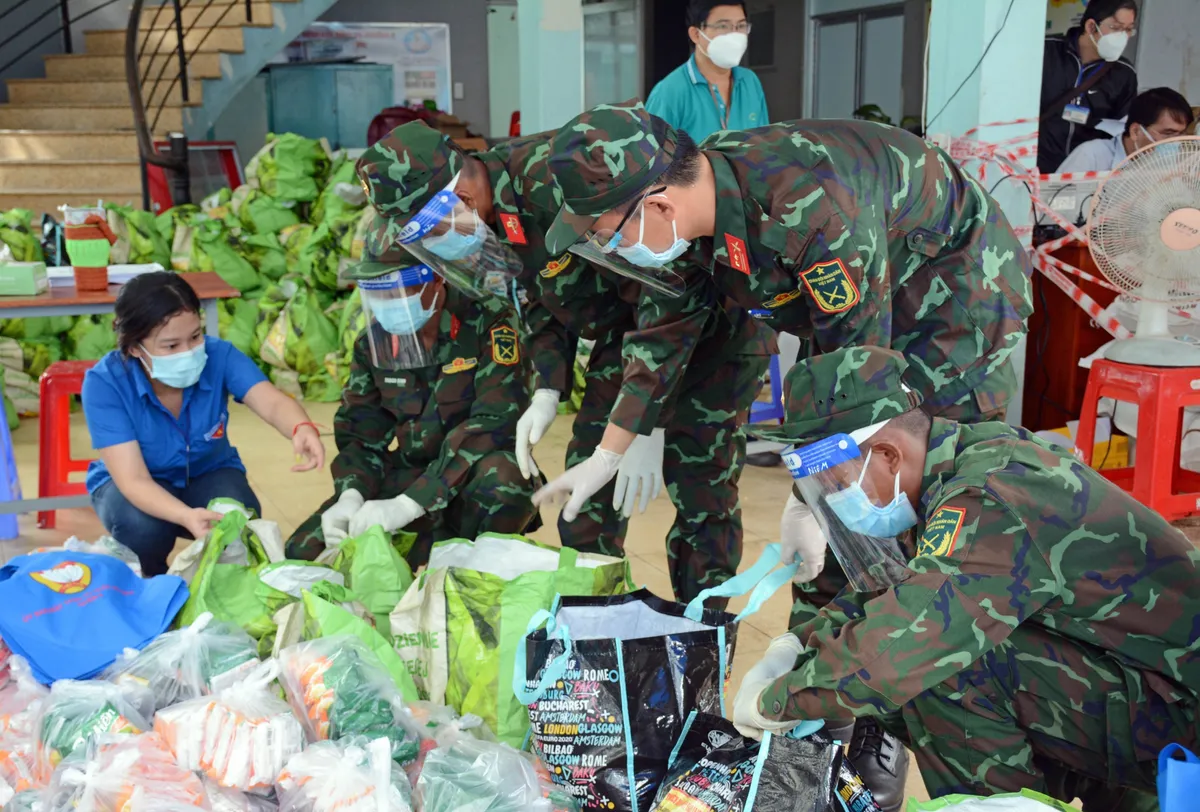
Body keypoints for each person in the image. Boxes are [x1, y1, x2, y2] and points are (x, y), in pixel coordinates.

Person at [731, 345, 1200, 812]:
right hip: (1148, 684)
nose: (833, 502)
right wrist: (796, 646)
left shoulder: (988, 498)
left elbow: (903, 644)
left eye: (836, 483)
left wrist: (778, 701)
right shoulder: (960, 460)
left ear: (889, 455)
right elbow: (900, 589)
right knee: (926, 657)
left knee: (939, 668)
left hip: (1181, 710)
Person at [356, 120, 774, 604]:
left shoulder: (556, 182)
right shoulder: (490, 219)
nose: (436, 244)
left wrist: (648, 423)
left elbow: (670, 297)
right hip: (627, 339)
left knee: (702, 502)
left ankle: (706, 649)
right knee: (583, 501)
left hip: (711, 329)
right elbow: (536, 297)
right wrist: (547, 388)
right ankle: (598, 637)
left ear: (462, 199)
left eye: (430, 229)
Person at [285, 226, 540, 567]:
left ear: (436, 279)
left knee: (508, 478)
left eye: (397, 291)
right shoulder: (374, 343)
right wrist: (351, 494)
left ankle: (479, 564)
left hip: (469, 478)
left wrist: (410, 504)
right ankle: (430, 548)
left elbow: (495, 424)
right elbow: (362, 433)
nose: (387, 305)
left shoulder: (490, 323)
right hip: (410, 475)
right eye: (378, 293)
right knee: (302, 553)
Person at [82, 271, 325, 576]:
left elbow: (271, 401)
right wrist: (185, 515)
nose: (189, 352)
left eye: (195, 336)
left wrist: (300, 428)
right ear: (134, 347)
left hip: (208, 472)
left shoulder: (218, 356)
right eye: (171, 346)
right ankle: (150, 582)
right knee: (142, 527)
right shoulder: (106, 383)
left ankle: (219, 591)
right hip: (138, 483)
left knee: (239, 521)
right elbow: (133, 480)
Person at [645, 0, 769, 143]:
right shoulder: (670, 91)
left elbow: (763, 146)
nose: (735, 36)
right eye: (723, 26)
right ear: (696, 34)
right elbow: (652, 160)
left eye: (740, 26)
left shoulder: (750, 81)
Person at [1039, 0, 1139, 173]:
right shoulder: (1045, 51)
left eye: (1128, 29)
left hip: (1085, 174)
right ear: (1091, 26)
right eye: (1116, 28)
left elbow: (1121, 131)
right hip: (1033, 167)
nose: (1123, 37)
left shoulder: (1124, 74)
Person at [1057, 86, 1195, 172]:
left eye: (1180, 134)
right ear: (1135, 131)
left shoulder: (1173, 166)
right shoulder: (1091, 156)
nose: (1175, 142)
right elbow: (1053, 211)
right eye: (1168, 133)